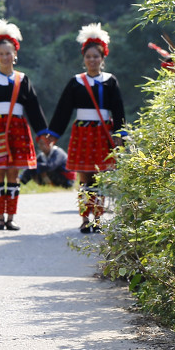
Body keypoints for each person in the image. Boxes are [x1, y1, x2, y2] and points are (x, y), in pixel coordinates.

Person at [0, 20, 51, 231]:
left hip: (17, 129)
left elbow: (33, 108)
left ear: (15, 54)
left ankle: (11, 217)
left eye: (9, 53)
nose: (5, 57)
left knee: (13, 173)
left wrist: (43, 134)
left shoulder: (23, 79)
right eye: (1, 54)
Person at [43, 24, 126, 232]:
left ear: (102, 58)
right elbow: (63, 110)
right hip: (83, 132)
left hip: (102, 133)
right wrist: (53, 134)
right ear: (84, 59)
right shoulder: (76, 83)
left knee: (99, 178)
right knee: (84, 178)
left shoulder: (110, 82)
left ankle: (97, 218)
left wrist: (119, 135)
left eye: (96, 57)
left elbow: (118, 110)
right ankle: (84, 219)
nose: (92, 60)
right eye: (89, 57)